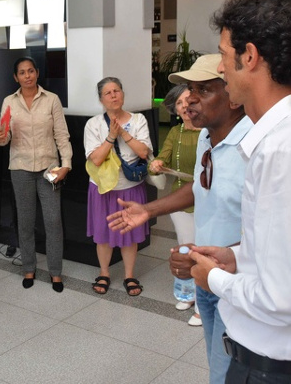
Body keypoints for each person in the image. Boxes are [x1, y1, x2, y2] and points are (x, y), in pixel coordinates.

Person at [189, 0, 291, 382]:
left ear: (250, 56)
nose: (222, 70)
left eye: (225, 56)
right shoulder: (288, 136)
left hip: (271, 370)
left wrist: (214, 278)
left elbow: (286, 299)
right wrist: (237, 258)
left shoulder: (285, 149)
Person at [107, 54, 251, 384]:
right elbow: (200, 186)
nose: (190, 99)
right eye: (189, 89)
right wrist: (149, 210)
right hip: (206, 276)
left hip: (238, 283)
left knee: (230, 372)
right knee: (217, 366)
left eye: (203, 89)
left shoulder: (254, 143)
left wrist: (219, 263)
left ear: (233, 93)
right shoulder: (205, 136)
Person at [0, 57, 72, 292]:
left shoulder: (52, 100)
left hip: (50, 169)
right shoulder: (9, 101)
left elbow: (62, 135)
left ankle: (55, 272)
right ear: (15, 77)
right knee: (25, 222)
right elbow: (4, 136)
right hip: (20, 168)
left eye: (31, 71)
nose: (27, 76)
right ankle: (28, 267)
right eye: (22, 72)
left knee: (53, 221)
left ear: (37, 73)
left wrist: (66, 164)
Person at [84, 77, 151, 296]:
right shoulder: (93, 124)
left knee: (129, 234)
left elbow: (144, 152)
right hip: (103, 188)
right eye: (108, 93)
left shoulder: (139, 119)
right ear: (101, 99)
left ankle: (129, 275)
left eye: (117, 91)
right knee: (103, 234)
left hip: (130, 187)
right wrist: (111, 136)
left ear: (122, 94)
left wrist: (123, 133)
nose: (113, 95)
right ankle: (104, 273)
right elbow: (95, 159)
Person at [152, 83, 202, 325]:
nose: (184, 107)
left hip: (205, 199)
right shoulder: (176, 132)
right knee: (185, 247)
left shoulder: (208, 131)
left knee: (202, 250)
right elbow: (165, 154)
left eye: (188, 101)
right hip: (179, 200)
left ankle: (204, 304)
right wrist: (158, 163)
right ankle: (188, 294)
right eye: (180, 103)